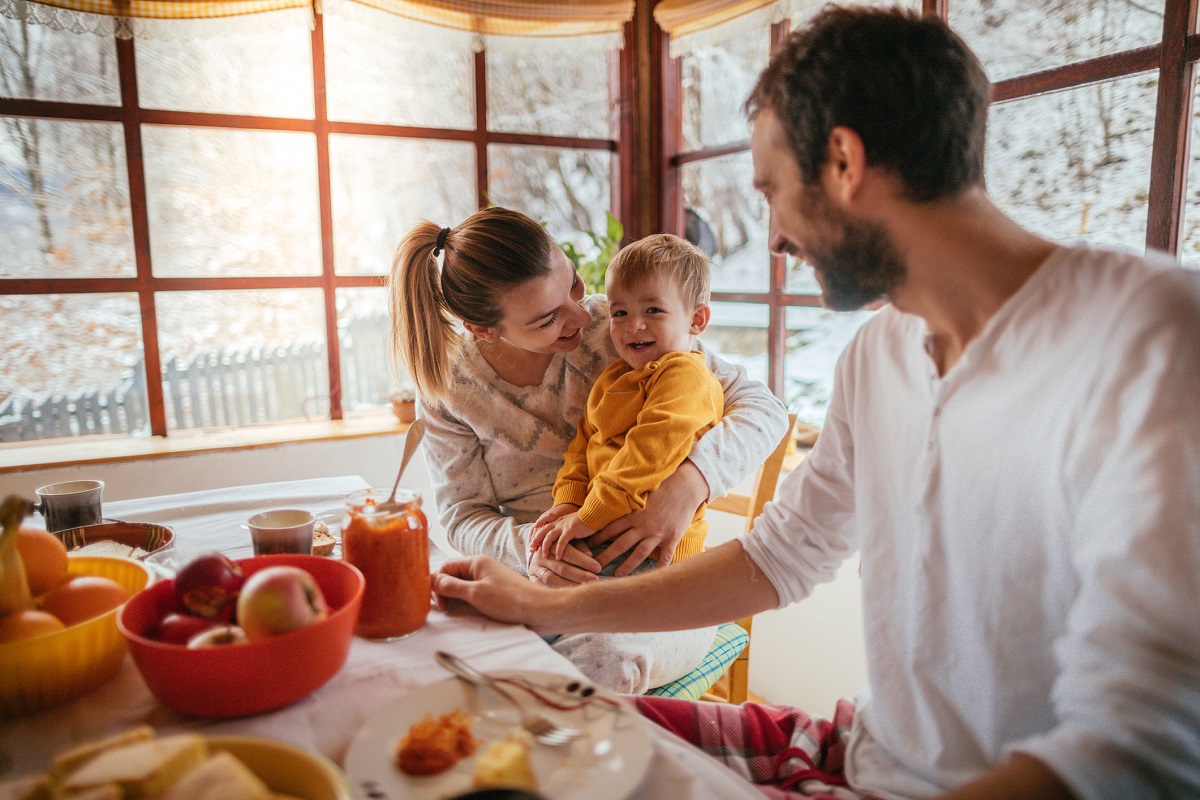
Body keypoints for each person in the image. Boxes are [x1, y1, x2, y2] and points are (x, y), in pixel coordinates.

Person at [430, 6, 1200, 800]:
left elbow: (1141, 750)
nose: (774, 239)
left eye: (771, 191)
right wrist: (550, 600)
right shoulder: (879, 355)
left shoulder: (1152, 339)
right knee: (512, 732)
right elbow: (779, 557)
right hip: (854, 749)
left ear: (844, 162)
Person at [390, 209, 789, 694]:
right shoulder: (450, 389)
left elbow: (762, 408)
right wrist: (538, 553)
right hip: (541, 583)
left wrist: (689, 484)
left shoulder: (622, 327)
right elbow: (462, 518)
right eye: (547, 318)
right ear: (483, 329)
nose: (582, 314)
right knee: (442, 658)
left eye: (573, 286)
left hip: (664, 581)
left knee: (592, 662)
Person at [530, 233, 724, 567]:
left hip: (656, 552)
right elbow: (584, 445)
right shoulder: (615, 377)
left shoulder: (685, 376)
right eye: (619, 312)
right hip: (601, 535)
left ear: (696, 320)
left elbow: (649, 449)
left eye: (653, 309)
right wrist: (569, 502)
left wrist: (592, 513)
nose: (633, 325)